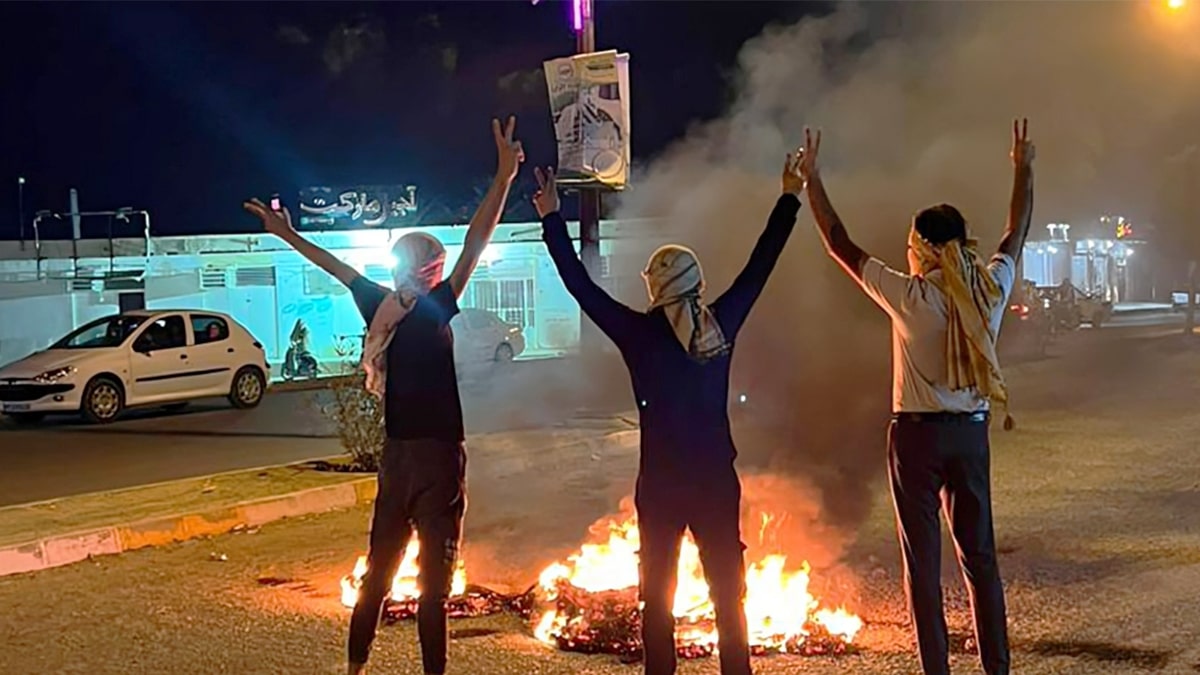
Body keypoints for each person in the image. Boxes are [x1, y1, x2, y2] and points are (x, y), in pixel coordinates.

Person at [244, 116, 525, 675]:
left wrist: (286, 234)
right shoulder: (438, 304)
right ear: (435, 268)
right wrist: (503, 179)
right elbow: (477, 240)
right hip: (438, 459)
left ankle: (356, 668)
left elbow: (335, 267)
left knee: (378, 575)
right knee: (432, 590)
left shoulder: (381, 305)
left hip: (397, 458)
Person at [531, 153, 804, 675]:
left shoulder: (639, 333)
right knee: (728, 598)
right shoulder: (720, 325)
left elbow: (581, 287)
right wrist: (790, 196)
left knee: (656, 600)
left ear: (654, 289)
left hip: (659, 486)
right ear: (697, 283)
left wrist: (552, 218)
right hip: (715, 482)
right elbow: (760, 265)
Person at [798, 120, 1035, 675]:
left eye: (910, 246)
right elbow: (1015, 235)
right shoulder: (990, 289)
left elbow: (839, 243)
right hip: (971, 436)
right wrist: (1024, 170)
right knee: (981, 561)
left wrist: (813, 180)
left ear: (923, 251)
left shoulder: (910, 296)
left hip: (917, 439)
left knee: (923, 567)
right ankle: (997, 668)